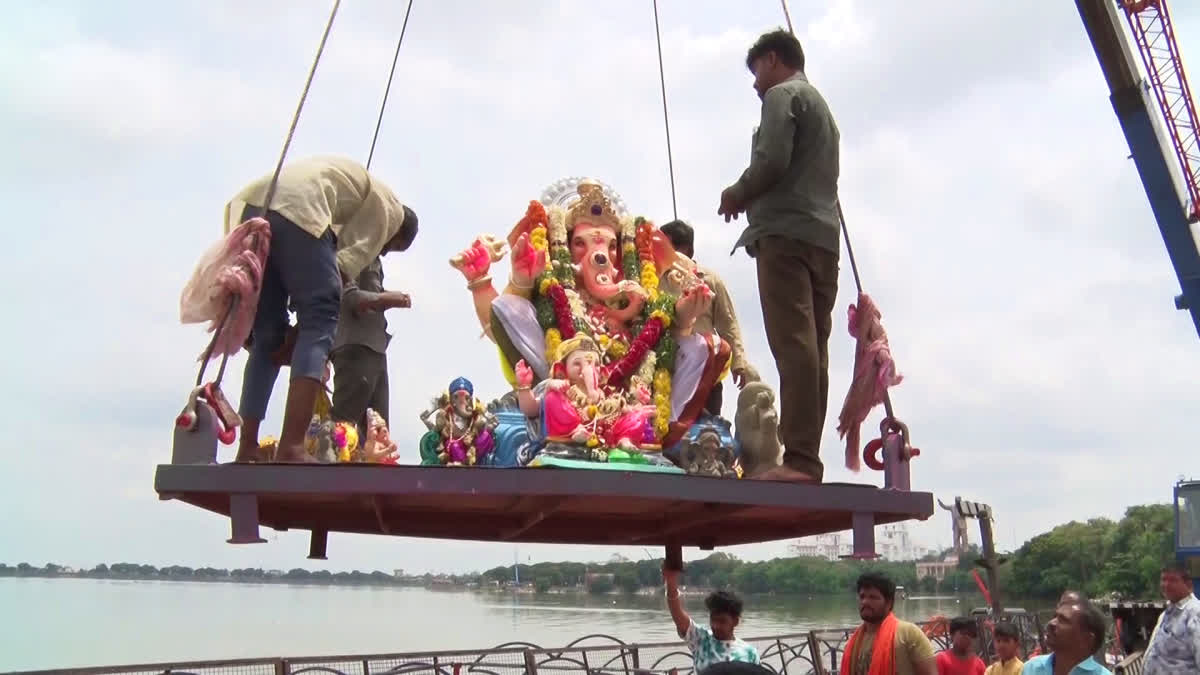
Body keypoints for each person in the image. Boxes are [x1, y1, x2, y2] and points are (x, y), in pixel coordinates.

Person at [223, 156, 418, 463]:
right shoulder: (390, 211)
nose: (381, 251)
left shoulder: (353, 203)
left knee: (268, 337)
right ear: (398, 232)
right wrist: (302, 331)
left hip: (255, 204)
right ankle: (292, 447)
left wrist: (292, 335)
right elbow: (339, 275)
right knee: (322, 319)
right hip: (299, 208)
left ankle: (247, 447)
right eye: (389, 247)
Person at [717, 29, 841, 483]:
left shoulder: (782, 95)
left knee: (793, 346)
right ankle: (805, 456)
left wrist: (737, 193)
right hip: (822, 240)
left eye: (757, 72)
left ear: (773, 59)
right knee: (814, 350)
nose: (755, 85)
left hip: (785, 235)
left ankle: (800, 463)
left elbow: (771, 159)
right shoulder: (822, 108)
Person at [659, 220, 757, 417]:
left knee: (707, 434)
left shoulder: (710, 279)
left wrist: (739, 363)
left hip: (706, 369)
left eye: (666, 246)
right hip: (667, 369)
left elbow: (728, 324)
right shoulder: (657, 279)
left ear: (685, 248)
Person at [330, 256, 411, 436]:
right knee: (342, 430)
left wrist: (386, 297)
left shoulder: (373, 256)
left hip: (375, 348)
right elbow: (352, 298)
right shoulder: (354, 249)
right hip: (355, 348)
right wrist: (389, 299)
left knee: (378, 434)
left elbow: (372, 292)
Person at [662, 564, 760, 672]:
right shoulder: (701, 640)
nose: (715, 625)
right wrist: (671, 582)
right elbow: (677, 614)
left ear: (735, 621)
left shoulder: (750, 653)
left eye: (722, 621)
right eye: (713, 619)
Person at [842, 572, 936, 675]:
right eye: (862, 597)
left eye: (873, 597)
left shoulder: (909, 634)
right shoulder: (853, 643)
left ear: (889, 602)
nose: (865, 602)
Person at [1020, 601, 1109, 674]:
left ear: (1087, 639)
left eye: (1063, 620)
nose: (1051, 623)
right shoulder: (1032, 668)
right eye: (1055, 617)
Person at [1142, 564, 1200, 674]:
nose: (1166, 585)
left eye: (1173, 580)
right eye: (1163, 579)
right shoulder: (1168, 612)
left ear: (1188, 585)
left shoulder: (1195, 613)